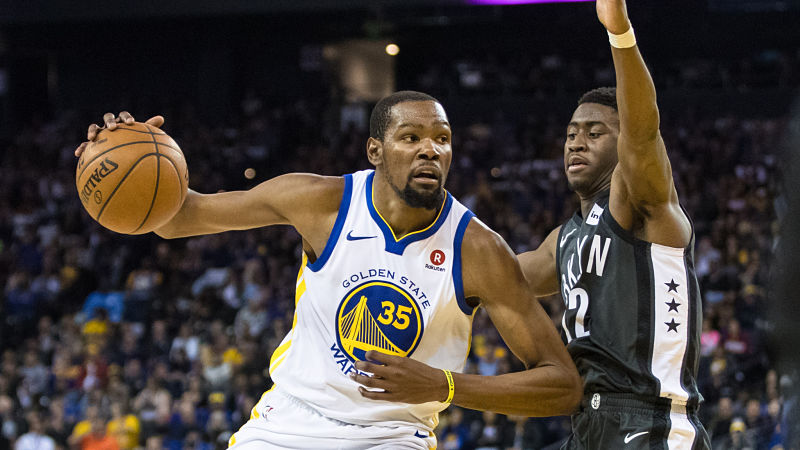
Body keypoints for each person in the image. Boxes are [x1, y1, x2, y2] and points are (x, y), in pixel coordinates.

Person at [75, 91, 581, 449]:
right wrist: (122, 156)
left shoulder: (478, 249)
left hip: (392, 436)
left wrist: (444, 385)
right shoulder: (319, 201)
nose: (431, 149)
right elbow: (180, 218)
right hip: (288, 421)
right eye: (411, 137)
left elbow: (562, 386)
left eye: (442, 138)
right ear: (375, 151)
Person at [516, 1, 711, 448]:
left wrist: (619, 32)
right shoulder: (562, 238)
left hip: (648, 420)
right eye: (570, 134)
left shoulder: (639, 201)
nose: (576, 143)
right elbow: (494, 276)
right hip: (586, 424)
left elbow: (643, 134)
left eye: (593, 132)